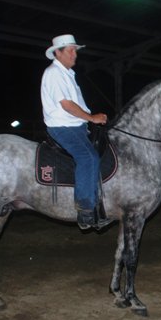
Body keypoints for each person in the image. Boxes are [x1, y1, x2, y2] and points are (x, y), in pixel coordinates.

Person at [41, 34, 109, 230]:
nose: (74, 55)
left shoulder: (67, 74)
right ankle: (86, 211)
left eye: (75, 50)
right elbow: (67, 105)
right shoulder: (54, 73)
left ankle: (100, 205)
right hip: (63, 127)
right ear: (58, 53)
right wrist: (92, 118)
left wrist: (90, 118)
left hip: (77, 126)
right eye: (70, 50)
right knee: (88, 158)